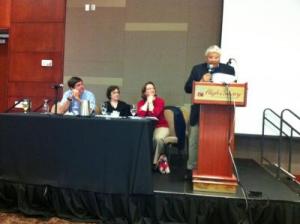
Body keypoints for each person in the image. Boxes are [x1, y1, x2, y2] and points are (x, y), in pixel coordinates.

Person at [184, 45, 235, 177]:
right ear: (206, 57)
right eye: (210, 57)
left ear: (220, 58)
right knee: (194, 140)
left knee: (217, 142)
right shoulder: (198, 69)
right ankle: (191, 168)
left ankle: (216, 168)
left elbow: (234, 88)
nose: (213, 60)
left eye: (216, 57)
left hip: (220, 114)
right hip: (199, 111)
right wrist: (201, 81)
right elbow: (188, 88)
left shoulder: (228, 70)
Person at [136, 81, 170, 174]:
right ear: (144, 92)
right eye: (149, 89)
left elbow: (155, 114)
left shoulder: (160, 101)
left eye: (153, 88)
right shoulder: (141, 103)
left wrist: (151, 103)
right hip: (147, 128)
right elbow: (140, 115)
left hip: (161, 126)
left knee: (158, 139)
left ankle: (154, 163)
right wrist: (147, 102)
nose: (151, 90)